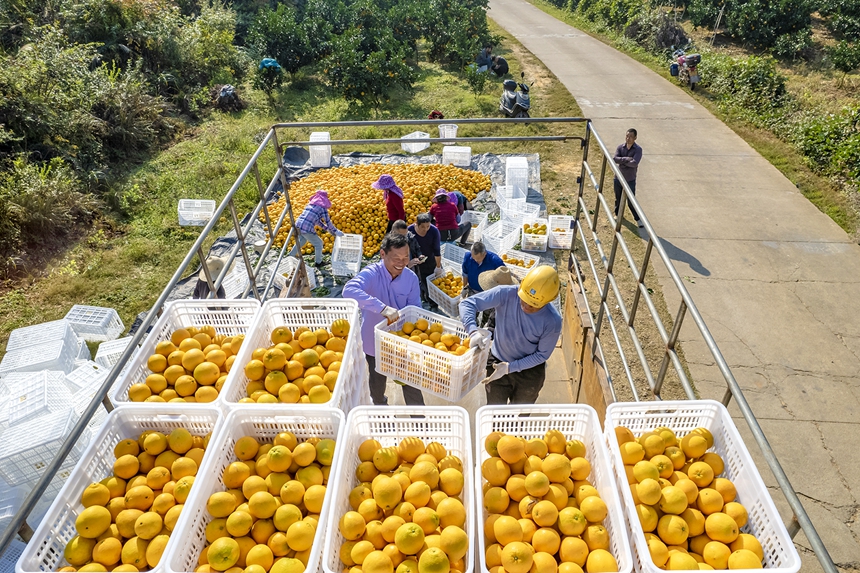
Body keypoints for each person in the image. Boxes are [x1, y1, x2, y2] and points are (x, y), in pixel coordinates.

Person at [459, 265, 562, 405]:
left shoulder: (552, 321)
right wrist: (473, 331)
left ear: (547, 301)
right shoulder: (505, 294)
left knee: (519, 416)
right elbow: (467, 304)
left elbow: (541, 355)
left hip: (529, 372)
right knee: (494, 412)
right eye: (523, 299)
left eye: (532, 305)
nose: (525, 306)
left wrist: (509, 367)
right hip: (496, 362)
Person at [343, 233, 426, 406]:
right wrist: (381, 308)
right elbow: (349, 290)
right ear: (382, 254)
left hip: (402, 342)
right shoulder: (372, 273)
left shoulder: (410, 278)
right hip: (374, 344)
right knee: (377, 384)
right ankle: (381, 408)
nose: (402, 263)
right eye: (396, 258)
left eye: (405, 257)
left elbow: (415, 309)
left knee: (411, 383)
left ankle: (420, 421)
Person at [288, 189, 343, 266]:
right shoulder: (322, 209)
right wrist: (336, 231)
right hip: (306, 228)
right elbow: (328, 221)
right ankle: (318, 262)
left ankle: (290, 256)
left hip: (298, 225)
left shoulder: (310, 205)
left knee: (302, 240)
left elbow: (317, 221)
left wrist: (327, 229)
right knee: (319, 243)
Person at [408, 213, 443, 309]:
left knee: (432, 282)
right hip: (415, 261)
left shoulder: (434, 231)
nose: (425, 229)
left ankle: (433, 305)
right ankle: (424, 298)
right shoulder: (409, 230)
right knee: (421, 281)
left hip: (431, 259)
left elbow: (437, 251)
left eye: (427, 226)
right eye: (422, 227)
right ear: (416, 224)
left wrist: (438, 266)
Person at [613, 128, 644, 228]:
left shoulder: (638, 149)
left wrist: (622, 162)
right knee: (618, 198)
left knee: (631, 200)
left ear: (635, 138)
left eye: (631, 136)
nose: (628, 138)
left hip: (630, 179)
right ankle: (618, 214)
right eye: (627, 136)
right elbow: (615, 159)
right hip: (618, 177)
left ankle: (638, 219)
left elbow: (634, 163)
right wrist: (626, 159)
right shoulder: (620, 147)